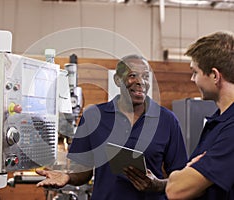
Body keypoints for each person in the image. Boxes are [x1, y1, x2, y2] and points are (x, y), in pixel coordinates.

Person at [36, 54, 188, 199]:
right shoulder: (93, 116)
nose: (141, 81)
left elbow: (182, 178)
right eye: (132, 75)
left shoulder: (167, 120)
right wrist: (67, 177)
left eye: (146, 76)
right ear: (117, 80)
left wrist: (157, 185)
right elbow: (83, 172)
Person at [165, 31, 234, 199]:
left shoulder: (231, 128)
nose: (192, 79)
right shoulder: (218, 121)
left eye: (195, 72)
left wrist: (182, 175)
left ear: (215, 76)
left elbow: (176, 190)